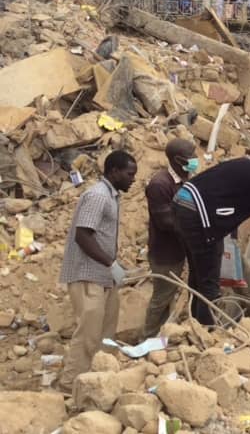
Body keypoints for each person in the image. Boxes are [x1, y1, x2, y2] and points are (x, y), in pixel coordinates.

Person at [173, 145, 250, 325]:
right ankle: (206, 331)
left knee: (198, 274)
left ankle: (194, 324)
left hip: (182, 202)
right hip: (198, 212)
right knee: (209, 282)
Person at [57, 150, 137, 391]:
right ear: (114, 171)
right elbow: (83, 235)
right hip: (87, 274)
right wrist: (110, 263)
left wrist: (114, 266)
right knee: (88, 334)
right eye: (129, 174)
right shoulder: (98, 195)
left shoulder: (112, 196)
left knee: (106, 333)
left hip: (103, 275)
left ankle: (101, 380)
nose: (133, 179)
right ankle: (70, 384)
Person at [143, 139, 196, 338]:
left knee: (168, 295)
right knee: (162, 297)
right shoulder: (160, 185)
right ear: (178, 159)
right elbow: (166, 222)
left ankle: (161, 336)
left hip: (178, 249)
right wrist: (196, 226)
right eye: (191, 155)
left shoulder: (185, 178)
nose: (195, 158)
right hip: (165, 252)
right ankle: (148, 337)